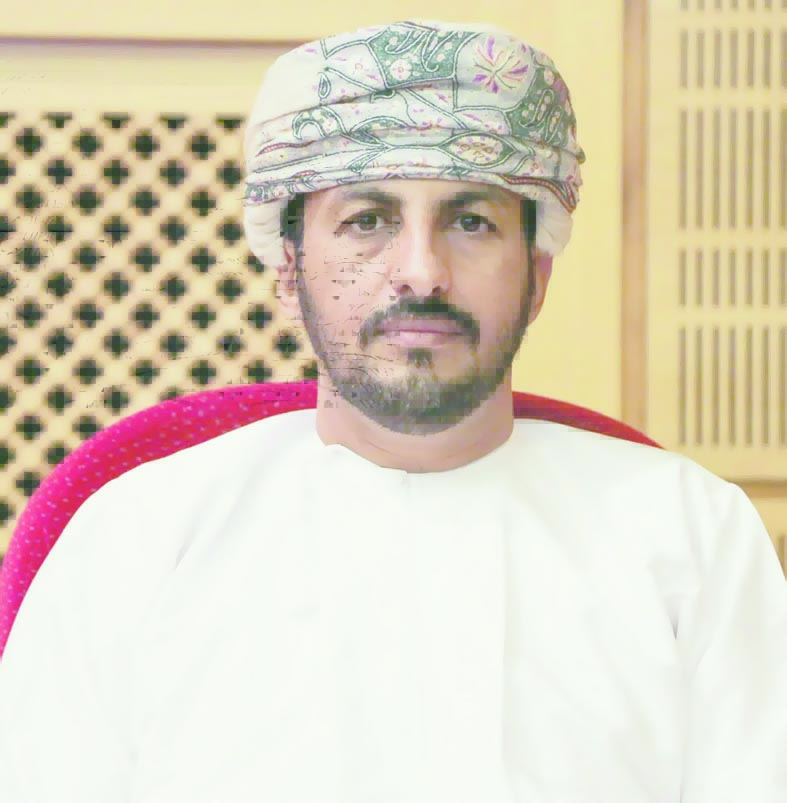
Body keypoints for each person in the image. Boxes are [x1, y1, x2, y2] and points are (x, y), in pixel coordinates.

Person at [0, 19, 785, 803]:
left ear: (536, 277)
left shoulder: (688, 534)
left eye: (470, 221)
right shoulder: (139, 537)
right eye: (367, 221)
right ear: (289, 272)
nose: (420, 271)